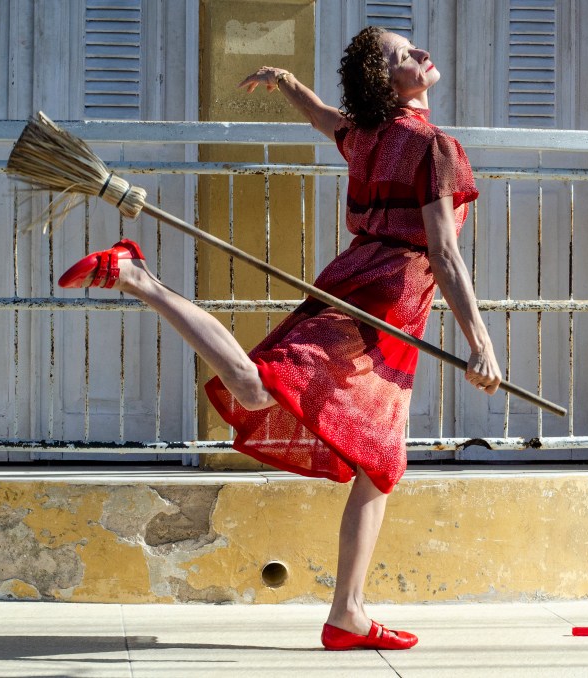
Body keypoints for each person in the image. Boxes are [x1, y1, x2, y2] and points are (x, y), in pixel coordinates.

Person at [56, 26, 501, 651]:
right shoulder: (432, 146)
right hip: (385, 303)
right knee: (273, 396)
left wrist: (286, 82)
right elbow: (445, 255)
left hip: (359, 284)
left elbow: (324, 119)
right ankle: (135, 276)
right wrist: (481, 343)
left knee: (375, 459)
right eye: (405, 55)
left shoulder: (368, 135)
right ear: (387, 82)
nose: (422, 55)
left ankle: (348, 613)